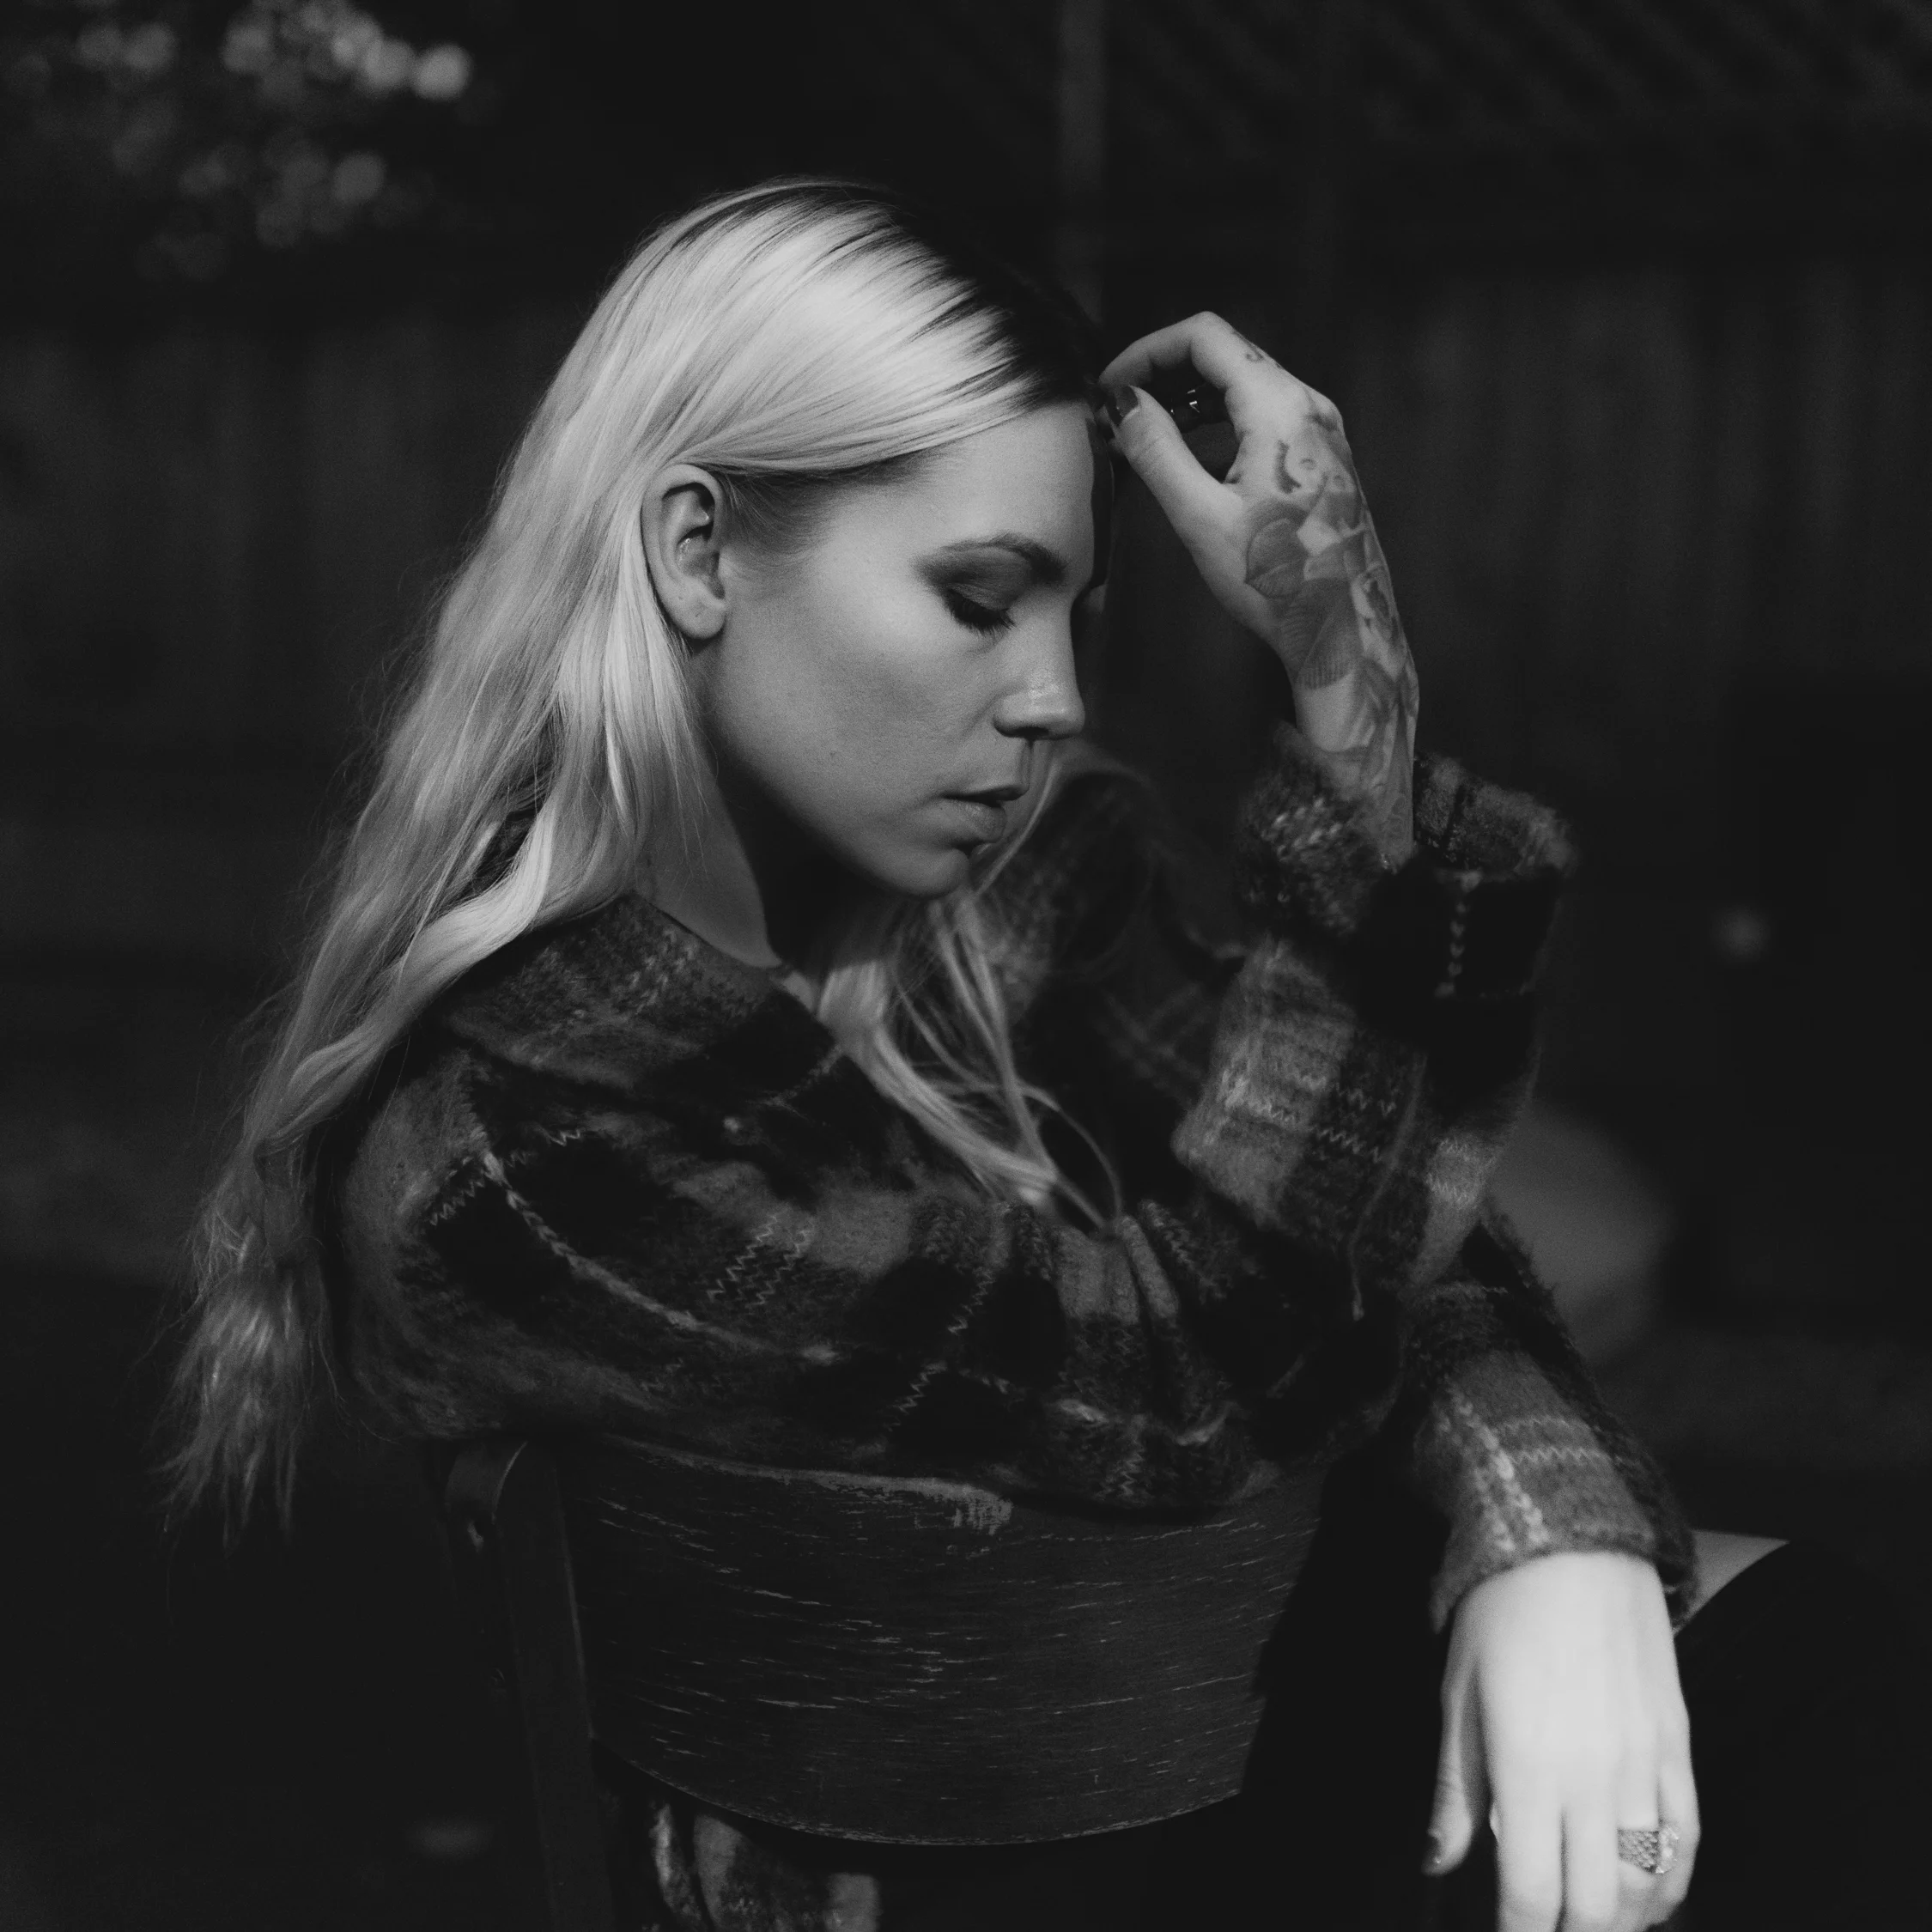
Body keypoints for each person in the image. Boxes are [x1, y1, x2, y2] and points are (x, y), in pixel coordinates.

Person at [167, 180, 1930, 1931]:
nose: (1054, 697)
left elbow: (1380, 1212)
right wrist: (1347, 700)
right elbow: (1202, 1363)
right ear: (697, 554)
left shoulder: (1018, 894)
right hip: (985, 1866)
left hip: (1234, 1770)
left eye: (1070, 614)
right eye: (977, 597)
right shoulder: (508, 1159)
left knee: (1807, 1673)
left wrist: (1553, 1528)